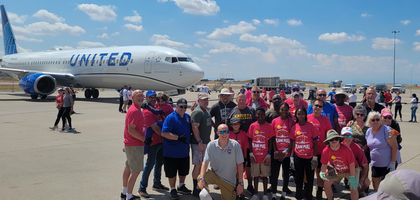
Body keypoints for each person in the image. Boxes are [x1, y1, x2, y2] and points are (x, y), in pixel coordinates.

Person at [198, 124, 245, 200]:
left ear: (229, 133)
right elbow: (205, 162)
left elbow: (240, 164)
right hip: (215, 175)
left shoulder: (235, 145)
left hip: (228, 181)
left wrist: (240, 183)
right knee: (200, 177)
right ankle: (206, 196)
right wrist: (201, 180)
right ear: (217, 133)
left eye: (226, 131)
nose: (224, 134)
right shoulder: (211, 145)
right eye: (222, 132)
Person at [137, 90, 168, 198]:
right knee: (149, 165)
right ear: (146, 98)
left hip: (161, 141)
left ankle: (157, 183)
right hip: (153, 142)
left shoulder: (156, 109)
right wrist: (168, 136)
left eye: (154, 97)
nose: (153, 99)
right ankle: (142, 188)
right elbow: (155, 128)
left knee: (159, 163)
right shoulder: (147, 112)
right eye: (150, 97)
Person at [161, 98, 193, 200]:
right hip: (171, 152)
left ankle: (181, 185)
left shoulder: (187, 117)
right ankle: (173, 189)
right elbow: (164, 133)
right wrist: (177, 138)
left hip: (184, 151)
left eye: (185, 107)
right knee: (172, 172)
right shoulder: (170, 118)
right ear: (176, 107)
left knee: (183, 171)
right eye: (181, 107)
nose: (183, 109)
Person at [364, 111, 401, 191]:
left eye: (377, 119)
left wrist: (392, 163)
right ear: (369, 121)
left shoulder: (387, 130)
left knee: (387, 185)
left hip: (388, 163)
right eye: (373, 120)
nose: (375, 121)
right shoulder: (368, 131)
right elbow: (370, 146)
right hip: (376, 163)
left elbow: (395, 147)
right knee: (375, 179)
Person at [228, 94, 256, 194]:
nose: (241, 101)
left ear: (246, 100)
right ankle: (236, 186)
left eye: (243, 100)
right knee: (236, 168)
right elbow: (228, 125)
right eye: (239, 100)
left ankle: (249, 185)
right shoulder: (233, 111)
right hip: (236, 143)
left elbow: (257, 123)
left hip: (248, 142)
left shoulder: (251, 110)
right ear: (236, 100)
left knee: (248, 166)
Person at [120, 90, 146, 200]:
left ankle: (125, 192)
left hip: (131, 143)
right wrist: (144, 139)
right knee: (135, 171)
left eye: (142, 96)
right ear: (132, 98)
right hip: (135, 144)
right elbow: (131, 129)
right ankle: (129, 197)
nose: (141, 98)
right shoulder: (135, 111)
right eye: (138, 96)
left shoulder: (135, 109)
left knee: (128, 168)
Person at [319, 130, 358, 200]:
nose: (334, 141)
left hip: (350, 170)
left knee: (353, 187)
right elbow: (324, 164)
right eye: (331, 139)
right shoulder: (325, 151)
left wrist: (352, 177)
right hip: (337, 170)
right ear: (328, 141)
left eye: (336, 139)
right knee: (326, 184)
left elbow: (352, 164)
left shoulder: (346, 149)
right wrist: (322, 172)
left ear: (339, 140)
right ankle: (330, 198)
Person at [290, 107, 318, 200]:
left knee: (309, 178)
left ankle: (308, 195)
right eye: (298, 114)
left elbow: (315, 142)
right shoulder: (294, 127)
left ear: (305, 115)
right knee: (298, 178)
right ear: (296, 116)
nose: (300, 116)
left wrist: (315, 157)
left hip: (309, 157)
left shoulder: (311, 126)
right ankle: (298, 195)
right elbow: (293, 143)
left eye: (302, 114)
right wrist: (291, 156)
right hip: (298, 156)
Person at [307, 99, 333, 200]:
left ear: (322, 108)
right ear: (312, 106)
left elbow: (329, 135)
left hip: (321, 151)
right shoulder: (307, 118)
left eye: (320, 106)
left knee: (320, 174)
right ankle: (307, 190)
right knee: (308, 173)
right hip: (308, 151)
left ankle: (319, 192)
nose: (317, 108)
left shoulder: (326, 120)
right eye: (316, 105)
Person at [247, 107, 274, 200]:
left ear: (264, 115)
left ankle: (265, 194)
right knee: (255, 175)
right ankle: (256, 193)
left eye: (262, 114)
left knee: (265, 175)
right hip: (255, 156)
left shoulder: (269, 126)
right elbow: (250, 139)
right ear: (256, 115)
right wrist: (251, 153)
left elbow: (271, 141)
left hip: (265, 156)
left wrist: (269, 154)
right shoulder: (252, 126)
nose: (260, 116)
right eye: (258, 114)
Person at [270, 103, 295, 200]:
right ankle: (274, 194)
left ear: (288, 110)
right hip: (276, 153)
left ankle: (284, 193)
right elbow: (272, 137)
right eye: (282, 109)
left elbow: (293, 139)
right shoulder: (274, 121)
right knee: (274, 174)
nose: (284, 111)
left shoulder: (292, 122)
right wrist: (275, 151)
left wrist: (286, 151)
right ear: (279, 110)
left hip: (286, 154)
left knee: (285, 174)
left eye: (285, 110)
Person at [191, 93, 213, 196]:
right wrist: (199, 142)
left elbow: (209, 121)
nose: (206, 101)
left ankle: (201, 185)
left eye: (207, 100)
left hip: (206, 142)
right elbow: (195, 128)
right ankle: (195, 188)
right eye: (203, 100)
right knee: (198, 165)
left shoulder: (205, 110)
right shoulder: (197, 112)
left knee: (203, 165)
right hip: (198, 144)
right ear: (198, 101)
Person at [341, 127, 371, 197]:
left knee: (366, 182)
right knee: (326, 177)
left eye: (349, 136)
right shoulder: (336, 145)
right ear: (340, 136)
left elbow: (365, 166)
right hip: (339, 168)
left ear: (352, 138)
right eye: (345, 135)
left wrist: (361, 180)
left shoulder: (357, 148)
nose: (347, 138)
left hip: (353, 170)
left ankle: (357, 192)